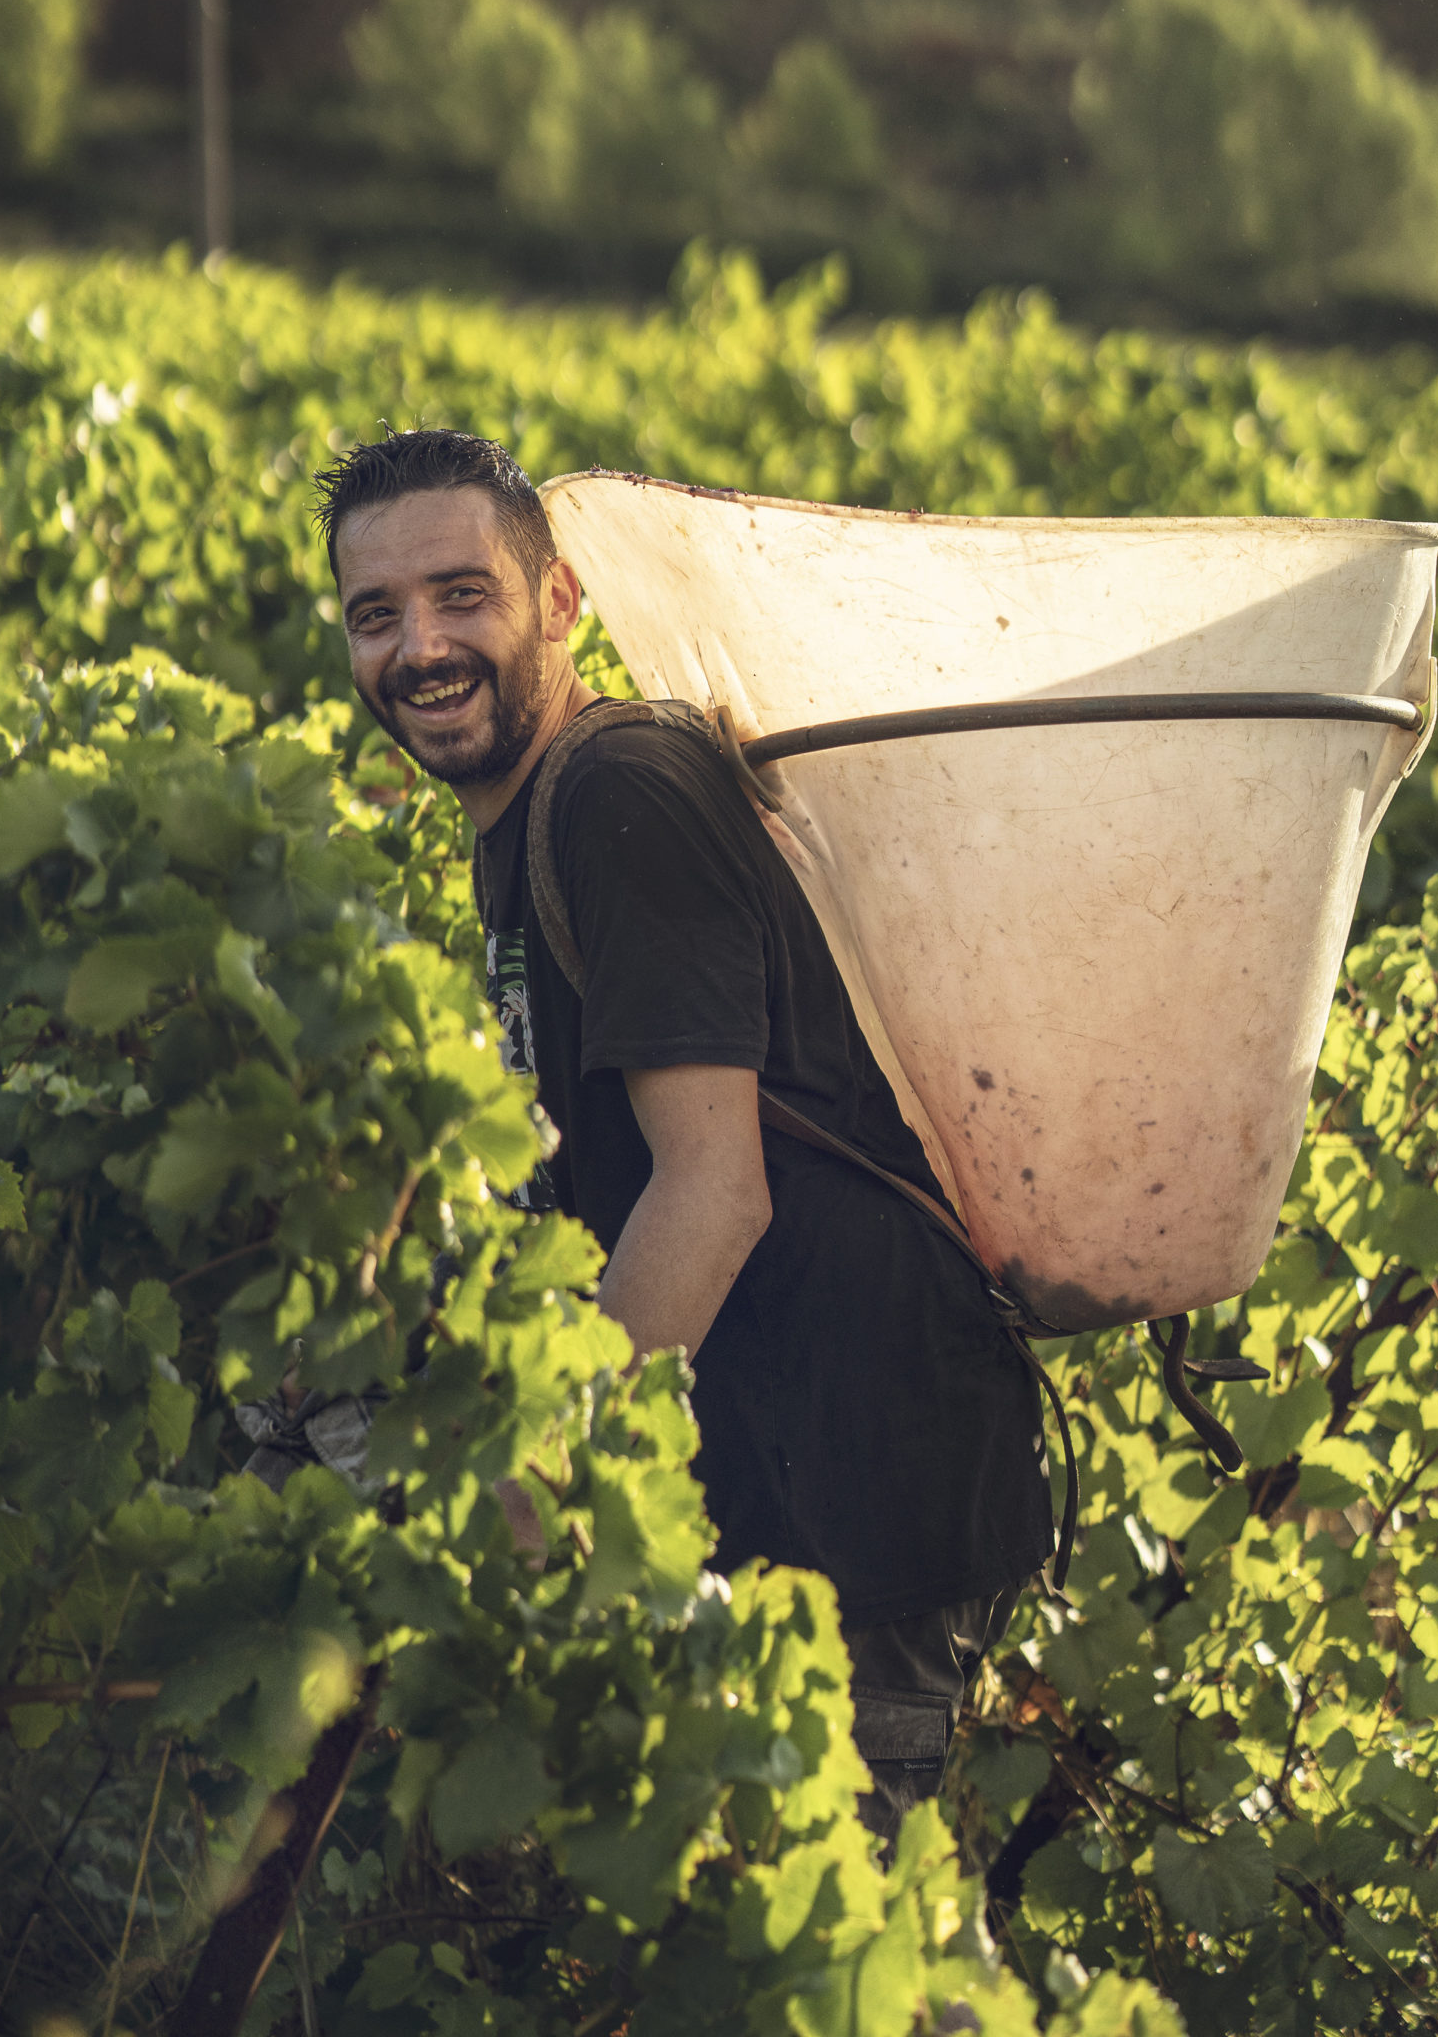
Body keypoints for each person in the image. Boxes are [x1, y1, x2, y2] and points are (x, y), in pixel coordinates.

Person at [317, 427, 1053, 1831]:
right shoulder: (521, 828)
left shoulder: (619, 795)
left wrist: (544, 1482)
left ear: (561, 604)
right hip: (791, 1487)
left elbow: (715, 1192)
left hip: (857, 1502)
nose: (420, 646)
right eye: (377, 614)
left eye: (462, 594)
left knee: (839, 1957)